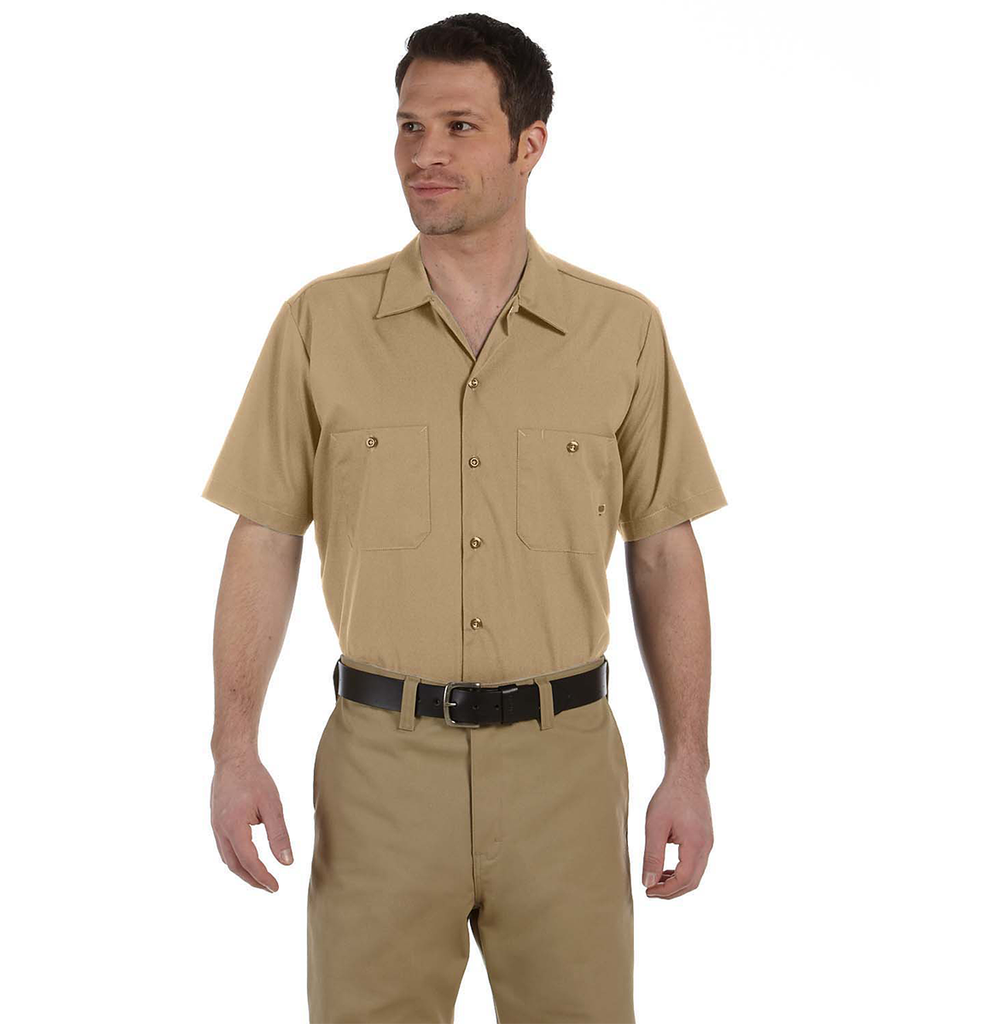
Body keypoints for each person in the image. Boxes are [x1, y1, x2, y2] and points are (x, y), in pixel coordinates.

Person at [201, 13, 727, 1024]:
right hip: (379, 775)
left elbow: (664, 551)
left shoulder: (621, 331)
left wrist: (688, 767)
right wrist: (233, 749)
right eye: (408, 126)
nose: (424, 155)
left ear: (530, 144)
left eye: (458, 127)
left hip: (567, 774)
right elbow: (263, 536)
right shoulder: (318, 325)